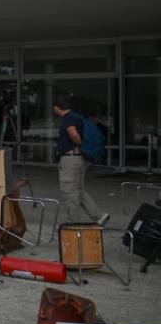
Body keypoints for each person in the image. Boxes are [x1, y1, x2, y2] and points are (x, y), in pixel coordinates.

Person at [54, 94, 109, 226]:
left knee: (69, 191)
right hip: (79, 159)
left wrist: (80, 145)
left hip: (70, 159)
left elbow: (73, 134)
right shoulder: (77, 117)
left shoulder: (67, 118)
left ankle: (73, 222)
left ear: (57, 107)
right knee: (79, 190)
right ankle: (99, 216)